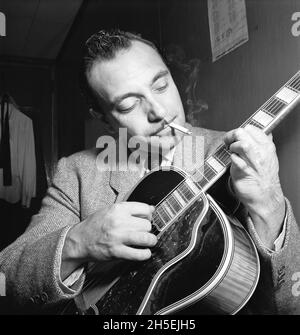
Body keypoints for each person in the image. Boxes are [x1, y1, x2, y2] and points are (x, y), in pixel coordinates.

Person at [0, 29, 299, 315]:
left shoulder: (241, 159)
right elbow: (8, 277)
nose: (158, 111)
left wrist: (268, 203)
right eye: (129, 105)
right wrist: (79, 242)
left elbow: (289, 306)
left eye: (161, 84)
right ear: (104, 120)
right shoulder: (77, 172)